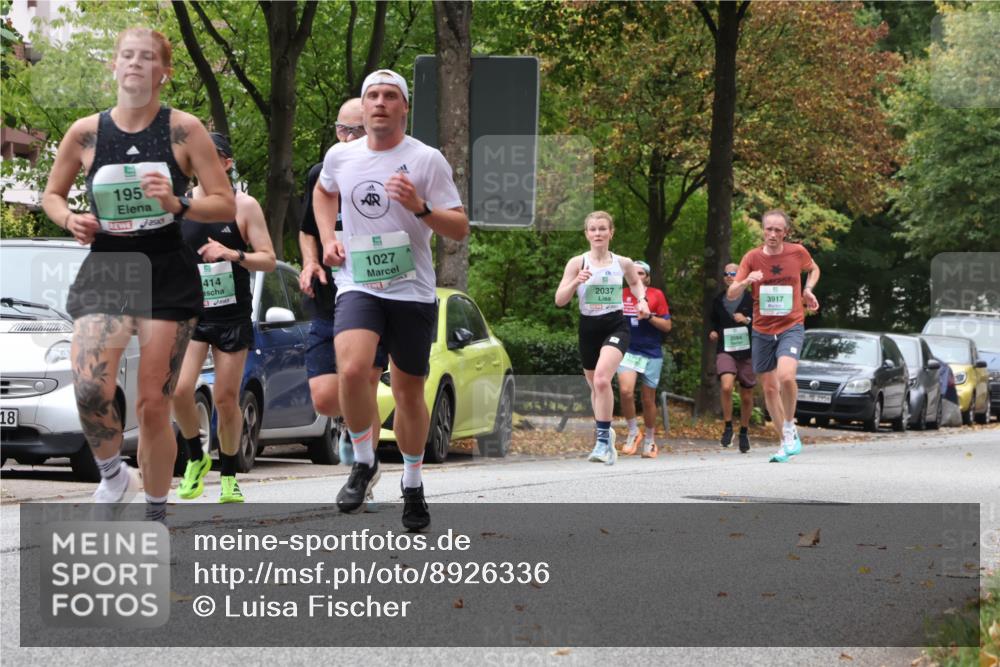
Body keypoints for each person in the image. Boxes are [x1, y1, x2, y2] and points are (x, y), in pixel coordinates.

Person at [41, 28, 235, 521]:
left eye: (147, 57)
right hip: (110, 263)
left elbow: (223, 202)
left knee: (153, 400)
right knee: (88, 387)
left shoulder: (183, 130)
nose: (135, 63)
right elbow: (52, 195)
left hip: (166, 265)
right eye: (126, 55)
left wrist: (178, 202)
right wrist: (69, 219)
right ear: (113, 66)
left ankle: (155, 510)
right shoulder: (87, 132)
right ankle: (113, 476)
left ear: (162, 72)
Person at [314, 70, 468, 531]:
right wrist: (327, 238)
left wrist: (421, 207)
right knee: (354, 368)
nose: (380, 103)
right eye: (372, 96)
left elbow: (459, 228)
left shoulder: (427, 159)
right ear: (363, 108)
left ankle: (414, 483)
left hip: (412, 290)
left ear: (404, 107)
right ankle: (364, 462)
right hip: (359, 282)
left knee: (407, 392)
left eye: (390, 96)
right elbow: (324, 193)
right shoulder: (341, 156)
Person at [172, 132, 276, 503]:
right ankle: (195, 457)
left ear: (227, 163)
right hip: (193, 314)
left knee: (225, 399)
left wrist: (233, 254)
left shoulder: (244, 206)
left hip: (231, 316)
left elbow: (268, 258)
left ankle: (229, 474)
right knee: (180, 390)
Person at [298, 98, 386, 468]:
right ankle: (355, 424)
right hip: (328, 293)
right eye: (342, 129)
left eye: (357, 130)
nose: (348, 138)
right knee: (324, 397)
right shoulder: (322, 172)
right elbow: (306, 231)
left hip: (373, 293)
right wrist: (310, 262)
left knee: (364, 381)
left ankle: (364, 470)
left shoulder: (390, 170)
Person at [555, 211, 649, 465]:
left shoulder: (623, 262)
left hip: (615, 325)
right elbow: (560, 300)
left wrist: (641, 300)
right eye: (593, 229)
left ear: (611, 232)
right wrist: (576, 281)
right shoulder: (578, 263)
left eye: (602, 229)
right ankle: (605, 430)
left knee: (601, 379)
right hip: (588, 327)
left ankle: (603, 443)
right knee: (595, 387)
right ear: (586, 234)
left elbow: (635, 283)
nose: (597, 233)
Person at [729, 210, 820, 462]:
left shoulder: (797, 252)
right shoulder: (752, 257)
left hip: (791, 324)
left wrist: (809, 290)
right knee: (769, 388)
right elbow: (732, 294)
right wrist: (747, 279)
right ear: (763, 230)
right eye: (768, 229)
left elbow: (813, 269)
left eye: (778, 230)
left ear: (785, 233)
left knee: (786, 376)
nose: (772, 234)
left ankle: (789, 426)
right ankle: (785, 441)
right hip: (762, 329)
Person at [616, 260, 671, 458]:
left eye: (641, 273)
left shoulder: (656, 295)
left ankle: (649, 440)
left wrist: (648, 317)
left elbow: (667, 327)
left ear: (647, 277)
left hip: (651, 352)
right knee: (625, 390)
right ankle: (633, 432)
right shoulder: (620, 294)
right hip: (628, 349)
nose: (636, 276)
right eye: (633, 273)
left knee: (648, 399)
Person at [710, 262, 755, 453]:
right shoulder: (718, 300)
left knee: (746, 396)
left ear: (740, 275)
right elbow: (712, 322)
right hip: (726, 349)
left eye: (733, 273)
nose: (729, 276)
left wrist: (746, 320)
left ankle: (744, 431)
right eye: (726, 273)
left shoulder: (751, 299)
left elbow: (761, 322)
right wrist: (712, 332)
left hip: (748, 351)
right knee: (727, 386)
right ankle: (728, 427)